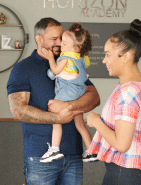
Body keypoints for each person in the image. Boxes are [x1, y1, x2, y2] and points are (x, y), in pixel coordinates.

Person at [7, 17, 100, 185]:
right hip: (40, 157)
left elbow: (94, 97)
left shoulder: (70, 61)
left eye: (62, 38)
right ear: (39, 39)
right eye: (54, 39)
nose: (60, 42)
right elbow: (17, 110)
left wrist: (68, 106)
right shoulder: (23, 69)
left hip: (74, 155)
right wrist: (57, 118)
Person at [86, 19, 141, 184]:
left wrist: (96, 122)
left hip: (126, 172)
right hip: (134, 169)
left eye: (108, 55)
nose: (104, 60)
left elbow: (122, 144)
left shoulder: (128, 93)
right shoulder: (137, 81)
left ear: (126, 56)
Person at [40, 23, 97, 163]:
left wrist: (50, 59)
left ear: (77, 47)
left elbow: (55, 71)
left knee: (54, 114)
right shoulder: (81, 58)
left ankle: (54, 148)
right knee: (80, 125)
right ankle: (91, 151)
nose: (61, 45)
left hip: (67, 94)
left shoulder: (65, 58)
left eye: (64, 43)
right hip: (79, 94)